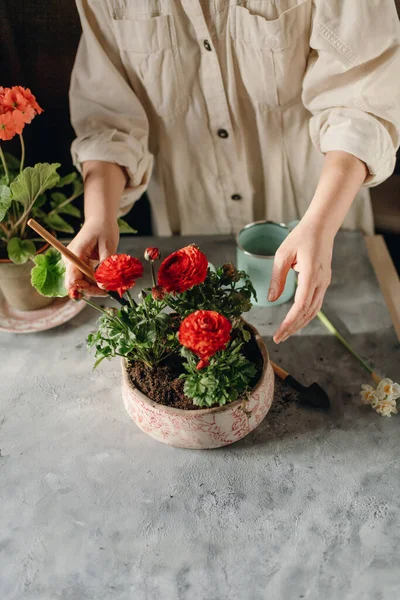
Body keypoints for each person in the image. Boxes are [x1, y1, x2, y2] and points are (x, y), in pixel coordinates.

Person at [66, 0, 400, 343]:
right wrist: (99, 216)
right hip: (194, 228)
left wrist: (321, 223)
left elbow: (363, 95)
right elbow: (108, 120)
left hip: (324, 213)